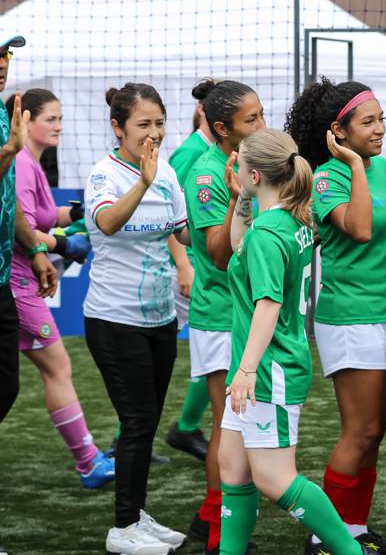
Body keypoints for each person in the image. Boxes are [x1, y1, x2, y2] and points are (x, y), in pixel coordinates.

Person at [217, 128, 374, 555]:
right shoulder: (289, 220)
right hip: (256, 366)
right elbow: (239, 250)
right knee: (232, 470)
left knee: (275, 479)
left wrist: (247, 369)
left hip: (269, 369)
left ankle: (349, 550)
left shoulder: (272, 231)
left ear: (253, 174)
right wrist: (242, 199)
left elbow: (267, 305)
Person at [285, 79, 386, 555]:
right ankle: (325, 536)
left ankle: (354, 527)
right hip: (350, 315)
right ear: (340, 131)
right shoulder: (329, 177)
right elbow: (359, 229)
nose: (379, 129)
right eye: (367, 122)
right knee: (361, 430)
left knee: (377, 430)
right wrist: (353, 163)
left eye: (381, 119)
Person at [84, 83, 189, 555]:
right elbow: (106, 223)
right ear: (117, 128)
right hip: (113, 318)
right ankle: (122, 528)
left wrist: (238, 199)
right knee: (137, 420)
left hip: (160, 318)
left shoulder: (166, 172)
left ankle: (136, 514)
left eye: (160, 124)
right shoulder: (104, 175)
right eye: (143, 125)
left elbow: (184, 233)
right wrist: (142, 182)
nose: (154, 134)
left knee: (145, 423)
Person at [5, 88, 114, 488]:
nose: (59, 126)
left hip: (20, 283)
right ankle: (87, 462)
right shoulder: (18, 161)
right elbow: (23, 229)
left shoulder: (30, 163)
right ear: (26, 120)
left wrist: (83, 214)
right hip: (17, 284)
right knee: (59, 367)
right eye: (51, 118)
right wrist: (65, 243)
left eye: (60, 118)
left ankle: (90, 458)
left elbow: (46, 215)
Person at [185, 80, 265, 555]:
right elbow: (218, 255)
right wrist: (242, 198)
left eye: (261, 114)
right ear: (221, 128)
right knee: (226, 427)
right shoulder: (207, 173)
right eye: (251, 119)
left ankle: (208, 518)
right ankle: (219, 536)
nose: (261, 125)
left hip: (239, 314)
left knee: (239, 427)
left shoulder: (246, 161)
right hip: (219, 316)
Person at [0, 34, 57, 428]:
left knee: (7, 388)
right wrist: (8, 151)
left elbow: (8, 202)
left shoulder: (3, 113)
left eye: (6, 53)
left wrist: (37, 250)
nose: (3, 62)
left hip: (3, 277)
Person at [165, 80, 216, 464]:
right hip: (185, 269)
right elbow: (167, 211)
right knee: (211, 351)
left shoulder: (213, 151)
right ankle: (184, 427)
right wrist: (184, 264)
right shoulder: (191, 154)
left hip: (200, 265)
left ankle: (186, 426)